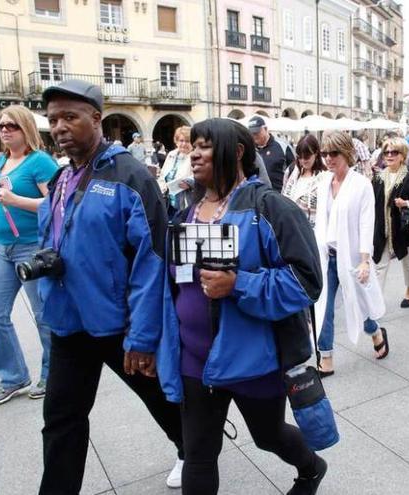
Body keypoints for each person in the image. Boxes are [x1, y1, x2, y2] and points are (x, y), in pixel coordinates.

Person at [157, 117, 327, 495]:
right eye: (193, 145)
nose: (194, 153)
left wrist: (239, 285)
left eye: (204, 145)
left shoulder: (270, 207)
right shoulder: (185, 210)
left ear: (235, 153)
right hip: (194, 361)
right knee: (199, 453)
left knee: (268, 436)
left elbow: (306, 281)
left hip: (253, 360)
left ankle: (311, 467)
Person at [36, 80, 184, 493]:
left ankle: (192, 448)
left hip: (119, 325)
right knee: (61, 417)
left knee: (159, 399)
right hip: (68, 321)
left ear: (96, 119)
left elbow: (152, 262)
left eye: (70, 117)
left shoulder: (131, 175)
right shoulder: (63, 178)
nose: (60, 127)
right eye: (53, 120)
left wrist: (142, 336)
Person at [0, 105, 58, 405]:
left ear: (26, 129)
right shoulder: (0, 160)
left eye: (11, 126)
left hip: (32, 247)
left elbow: (56, 205)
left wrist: (15, 198)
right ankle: (13, 376)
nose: (4, 130)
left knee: (44, 316)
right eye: (1, 126)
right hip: (2, 248)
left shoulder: (40, 162)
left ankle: (51, 374)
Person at [314, 130, 388, 377]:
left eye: (334, 153)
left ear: (346, 153)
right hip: (328, 256)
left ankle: (376, 331)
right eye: (325, 153)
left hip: (353, 257)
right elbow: (319, 221)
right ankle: (326, 357)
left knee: (360, 305)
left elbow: (367, 224)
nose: (328, 158)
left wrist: (366, 260)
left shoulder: (361, 185)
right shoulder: (323, 181)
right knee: (323, 307)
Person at [372, 137, 409, 307]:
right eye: (386, 152)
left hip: (403, 228)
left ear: (402, 155)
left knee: (407, 262)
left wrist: (406, 203)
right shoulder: (378, 177)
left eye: (394, 152)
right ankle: (376, 302)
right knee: (380, 265)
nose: (389, 155)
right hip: (382, 228)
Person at [281, 133, 326, 228]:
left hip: (313, 231)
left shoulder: (325, 176)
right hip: (290, 228)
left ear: (316, 153)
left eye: (307, 157)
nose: (303, 161)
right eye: (299, 157)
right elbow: (283, 196)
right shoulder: (291, 170)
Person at [248, 116, 295, 191]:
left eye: (257, 132)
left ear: (266, 129)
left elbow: (294, 170)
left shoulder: (283, 146)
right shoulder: (250, 150)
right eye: (252, 133)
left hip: (279, 196)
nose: (254, 136)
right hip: (259, 197)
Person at [158, 126, 193, 216]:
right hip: (169, 200)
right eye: (181, 141)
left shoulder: (195, 156)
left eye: (187, 141)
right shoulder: (171, 154)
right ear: (176, 141)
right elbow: (162, 175)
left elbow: (203, 178)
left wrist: (190, 183)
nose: (184, 144)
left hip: (187, 201)